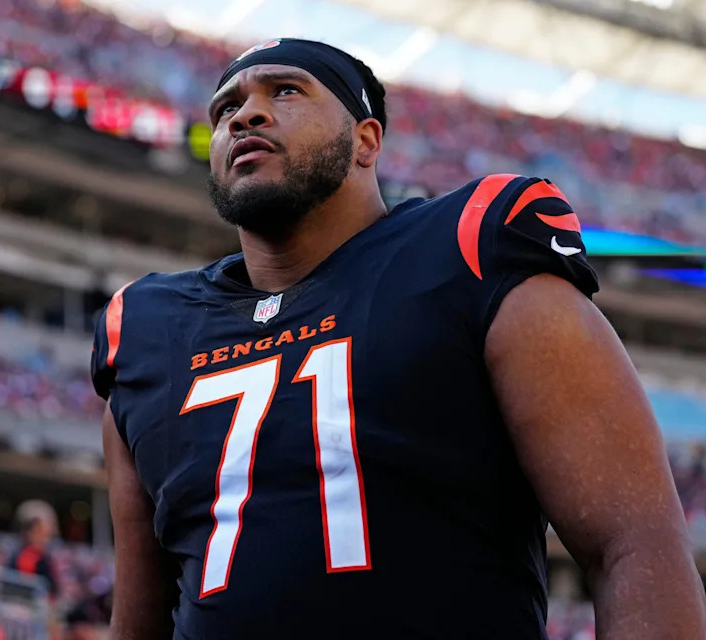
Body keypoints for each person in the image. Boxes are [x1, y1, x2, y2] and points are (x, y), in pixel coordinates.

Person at [91, 38, 706, 639]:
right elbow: (141, 622)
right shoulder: (145, 330)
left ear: (366, 141)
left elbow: (634, 545)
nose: (245, 113)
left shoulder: (469, 254)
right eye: (226, 107)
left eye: (285, 90)